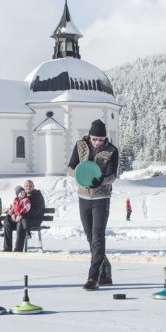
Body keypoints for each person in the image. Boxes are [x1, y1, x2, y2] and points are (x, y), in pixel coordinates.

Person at [67, 119, 119, 290]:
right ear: (89, 136)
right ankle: (105, 270)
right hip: (83, 197)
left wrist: (101, 181)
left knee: (97, 236)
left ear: (105, 139)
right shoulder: (80, 145)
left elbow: (113, 175)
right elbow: (70, 167)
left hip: (101, 198)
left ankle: (93, 278)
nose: (97, 142)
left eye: (100, 139)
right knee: (90, 237)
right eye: (94, 138)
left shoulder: (112, 151)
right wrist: (79, 175)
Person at [3, 185, 31, 252]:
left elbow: (27, 207)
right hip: (15, 218)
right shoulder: (15, 201)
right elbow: (12, 209)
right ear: (17, 194)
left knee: (21, 222)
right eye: (20, 192)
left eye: (23, 192)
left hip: (22, 217)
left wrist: (20, 214)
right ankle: (7, 248)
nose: (22, 193)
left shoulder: (26, 200)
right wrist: (11, 214)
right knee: (7, 219)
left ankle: (18, 249)